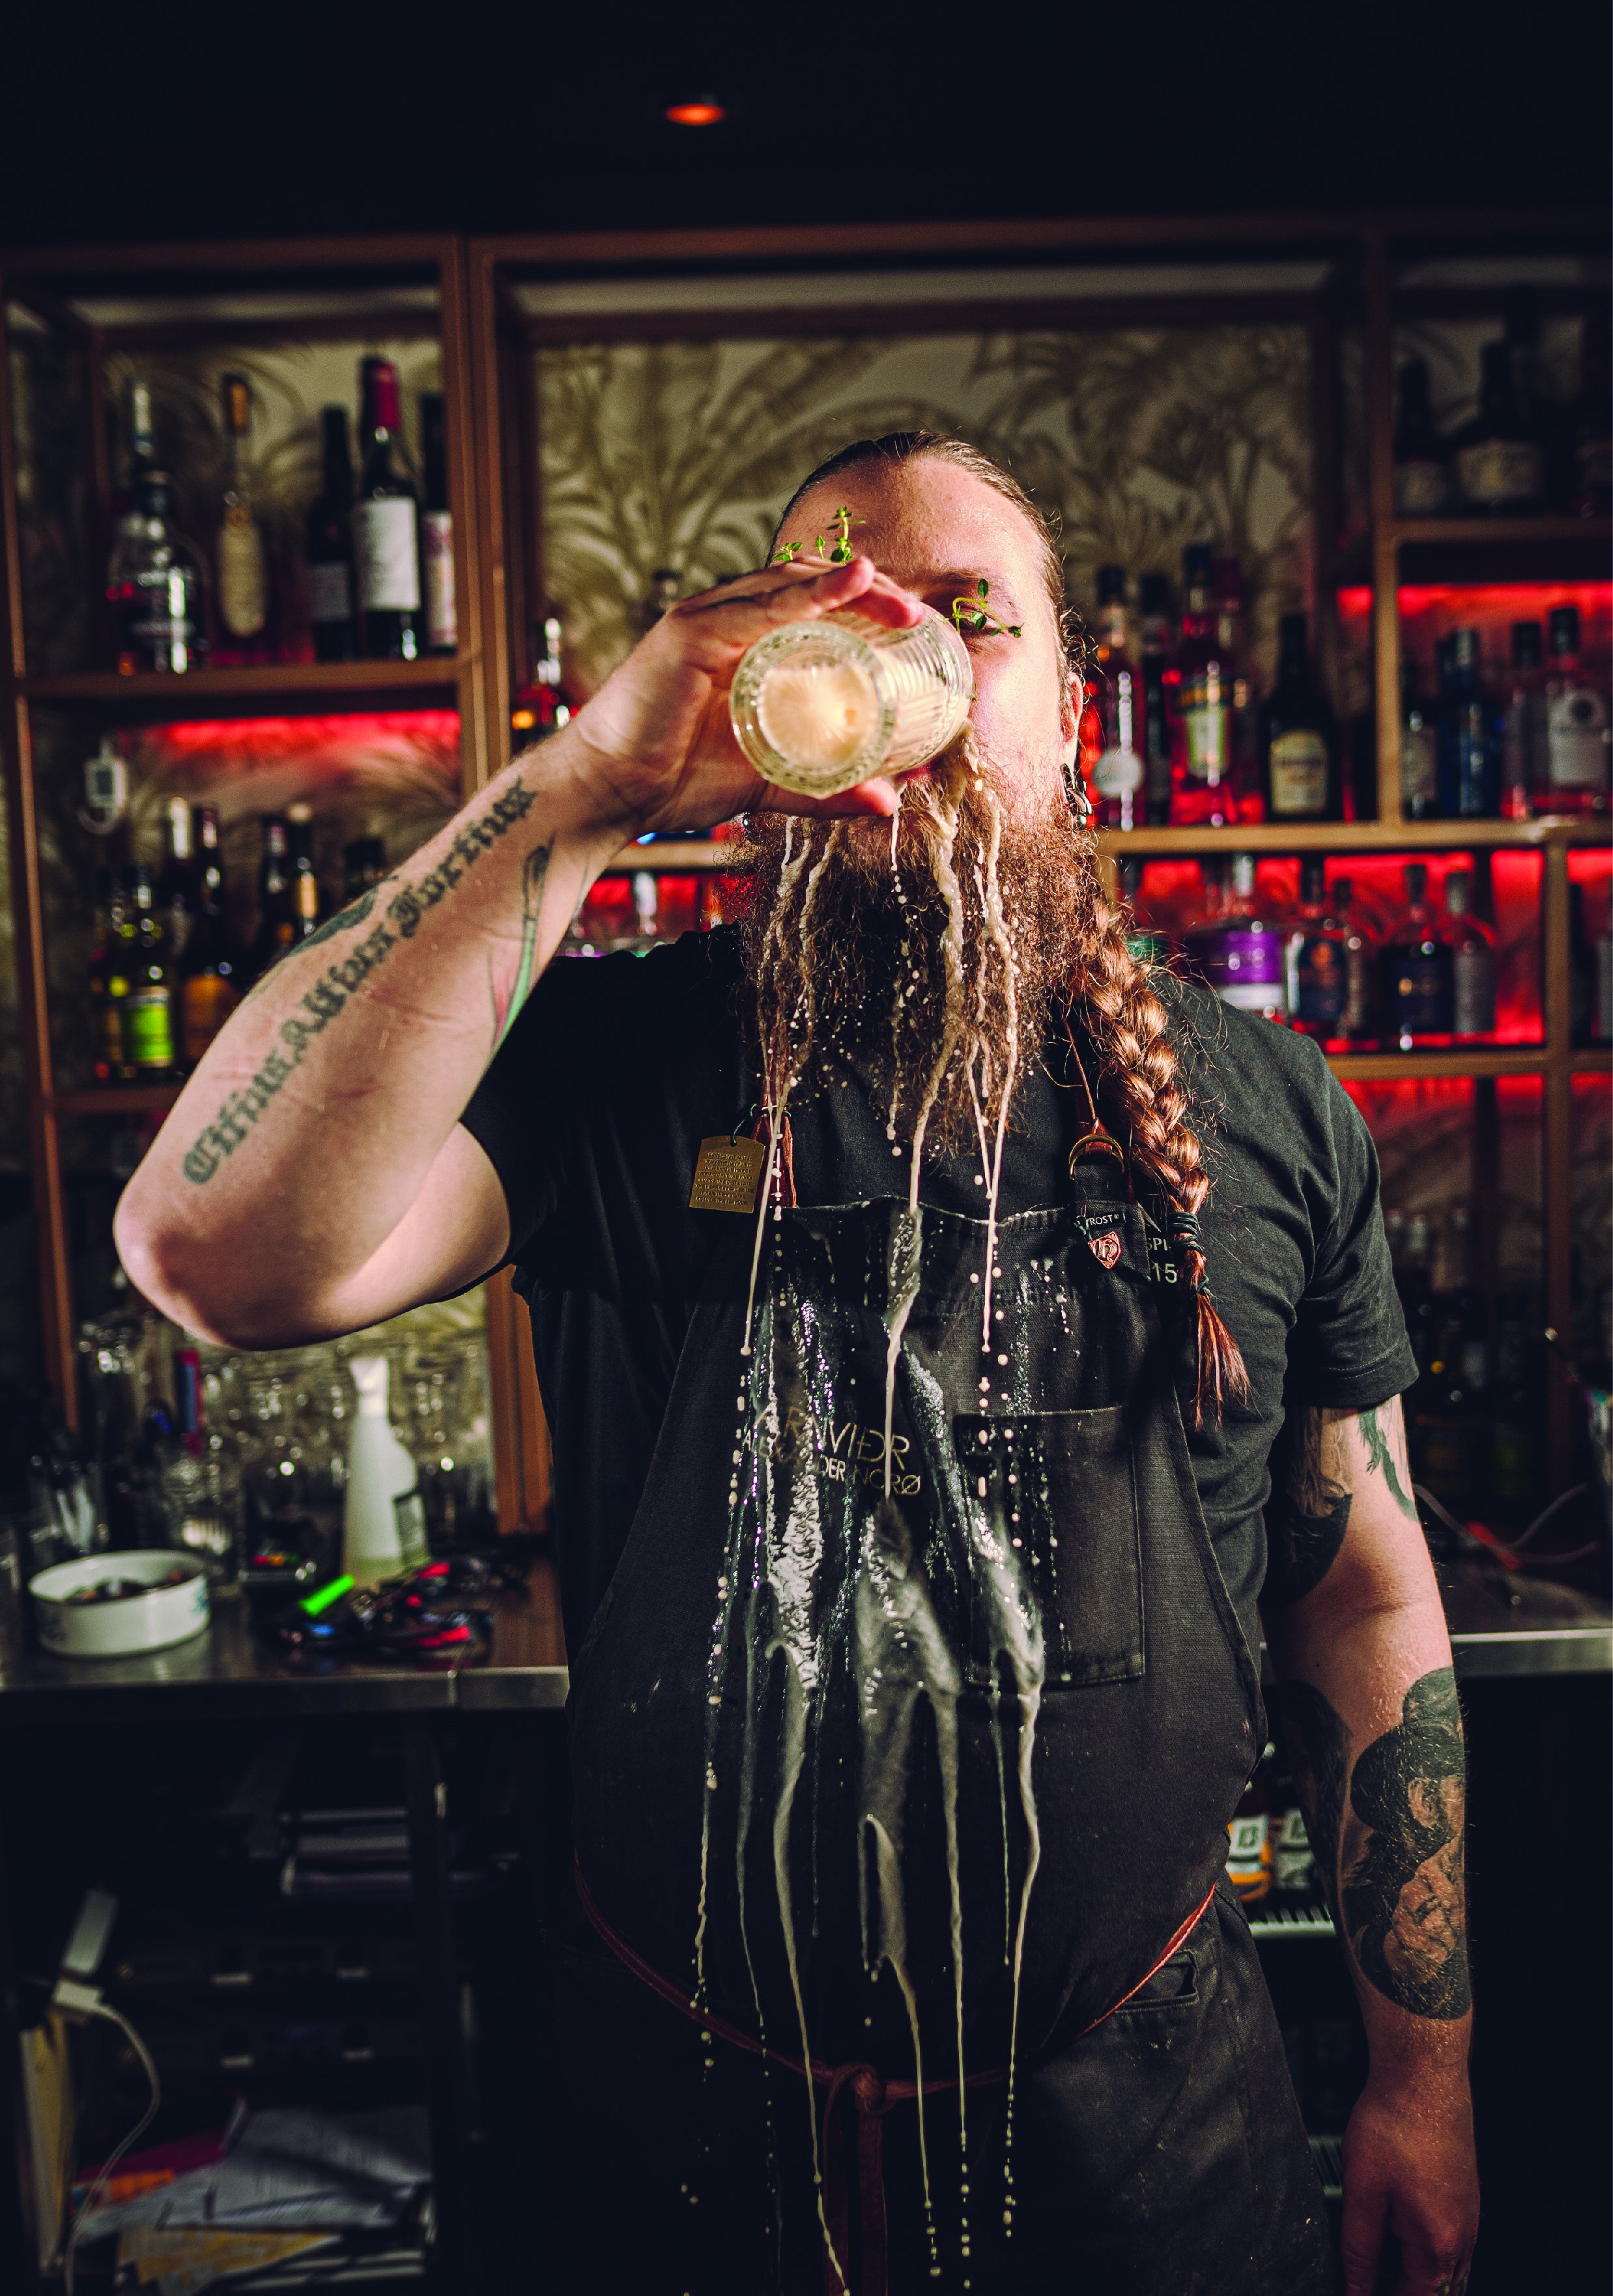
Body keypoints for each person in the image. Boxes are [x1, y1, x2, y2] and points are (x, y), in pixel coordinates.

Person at [117, 433, 1479, 2296]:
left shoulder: (1268, 1103)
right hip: (681, 2159)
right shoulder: (611, 1068)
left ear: (1075, 716)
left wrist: (1424, 2074)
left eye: (968, 616)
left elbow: (1363, 1592)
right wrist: (586, 781)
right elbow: (209, 1255)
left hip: (1151, 2156)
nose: (901, 653)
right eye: (834, 611)